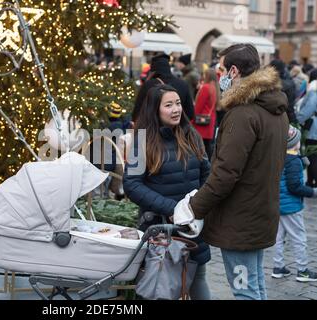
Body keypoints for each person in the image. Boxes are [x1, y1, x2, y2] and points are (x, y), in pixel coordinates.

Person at [177, 43, 289, 300]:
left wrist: (194, 208)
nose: (219, 74)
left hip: (240, 219)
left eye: (221, 69)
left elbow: (225, 172)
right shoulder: (274, 109)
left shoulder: (243, 114)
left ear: (234, 71)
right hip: (259, 212)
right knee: (254, 285)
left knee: (244, 290)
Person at [123, 84, 212, 300]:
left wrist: (197, 206)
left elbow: (206, 174)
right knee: (162, 286)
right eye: (169, 105)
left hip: (192, 226)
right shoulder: (141, 141)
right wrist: (173, 208)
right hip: (162, 228)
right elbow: (132, 185)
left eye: (178, 103)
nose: (176, 109)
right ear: (155, 110)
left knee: (198, 277)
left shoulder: (191, 135)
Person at [272, 126, 317, 282]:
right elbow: (294, 186)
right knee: (299, 237)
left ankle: (278, 267)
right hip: (291, 207)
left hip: (279, 205)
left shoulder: (280, 158)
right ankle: (302, 270)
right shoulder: (293, 162)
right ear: (295, 143)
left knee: (278, 237)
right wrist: (312, 192)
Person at [132, 53, 195, 123]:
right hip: (176, 131)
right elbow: (190, 113)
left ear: (153, 69)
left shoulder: (149, 85)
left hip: (152, 131)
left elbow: (137, 114)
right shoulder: (183, 84)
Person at [192, 68, 220, 159]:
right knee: (207, 149)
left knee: (199, 150)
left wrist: (192, 120)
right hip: (210, 121)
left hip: (201, 122)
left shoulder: (206, 87)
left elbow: (198, 107)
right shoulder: (215, 88)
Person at [297, 69, 317, 187]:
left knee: (312, 154)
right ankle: (310, 181)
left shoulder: (314, 92)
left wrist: (297, 120)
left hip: (314, 129)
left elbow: (308, 109)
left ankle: (312, 182)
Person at [270, 59, 297, 124]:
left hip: (266, 119)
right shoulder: (289, 85)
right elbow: (290, 106)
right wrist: (294, 121)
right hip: (283, 119)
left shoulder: (263, 83)